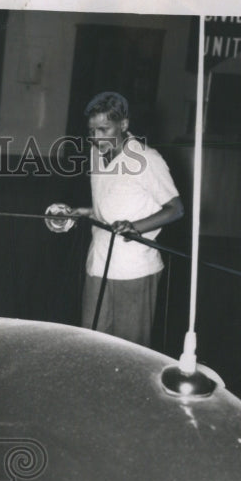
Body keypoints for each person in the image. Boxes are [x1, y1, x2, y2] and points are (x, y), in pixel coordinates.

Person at [64, 91, 184, 347]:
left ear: (124, 125)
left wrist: (135, 227)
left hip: (134, 271)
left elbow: (175, 209)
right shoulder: (98, 154)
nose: (96, 138)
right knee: (91, 345)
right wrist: (84, 212)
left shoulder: (147, 160)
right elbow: (109, 205)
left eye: (104, 129)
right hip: (98, 265)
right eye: (92, 131)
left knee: (130, 353)